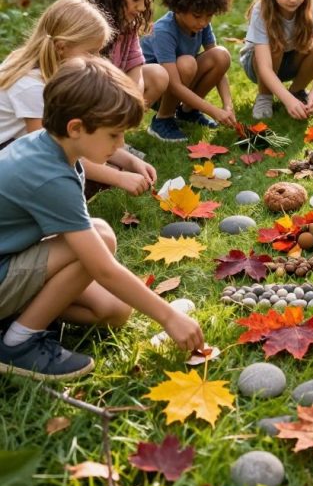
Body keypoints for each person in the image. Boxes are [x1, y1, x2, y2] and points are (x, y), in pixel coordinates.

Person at [0, 57, 204, 381]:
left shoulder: (55, 148)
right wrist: (168, 317)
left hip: (10, 260)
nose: (121, 145)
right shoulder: (50, 176)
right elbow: (101, 267)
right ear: (76, 128)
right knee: (102, 236)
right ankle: (18, 342)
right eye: (114, 135)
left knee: (113, 311)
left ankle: (17, 316)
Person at [0, 0, 155, 196]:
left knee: (102, 167)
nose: (95, 60)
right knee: (94, 175)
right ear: (61, 47)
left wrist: (130, 161)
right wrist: (118, 177)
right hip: (12, 160)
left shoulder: (53, 73)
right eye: (90, 52)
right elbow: (51, 154)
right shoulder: (32, 87)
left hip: (19, 152)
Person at [142, 0, 236, 142]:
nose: (203, 22)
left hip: (181, 83)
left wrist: (227, 105)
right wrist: (214, 111)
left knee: (221, 55)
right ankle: (162, 120)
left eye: (209, 16)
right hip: (154, 90)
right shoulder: (163, 31)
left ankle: (188, 112)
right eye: (197, 16)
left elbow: (220, 67)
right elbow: (175, 84)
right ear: (178, 7)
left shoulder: (202, 25)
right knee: (187, 63)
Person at [84, 0, 169, 106]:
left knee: (159, 75)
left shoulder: (128, 25)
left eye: (145, 0)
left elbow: (135, 67)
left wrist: (133, 100)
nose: (142, 7)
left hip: (115, 92)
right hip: (88, 92)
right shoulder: (87, 23)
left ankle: (119, 125)